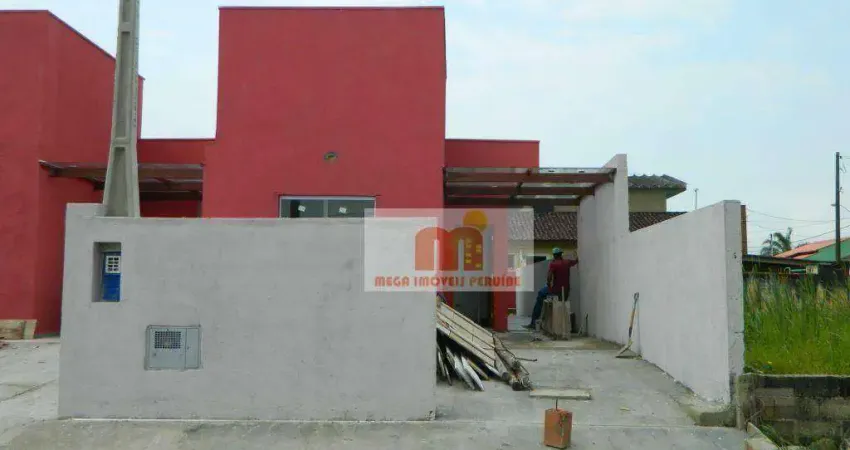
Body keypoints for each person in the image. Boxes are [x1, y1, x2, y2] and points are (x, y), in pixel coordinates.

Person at [525, 247, 578, 329]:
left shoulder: (553, 264)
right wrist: (576, 254)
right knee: (545, 295)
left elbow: (549, 277)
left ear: (554, 255)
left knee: (540, 294)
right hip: (565, 292)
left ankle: (533, 323)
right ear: (561, 254)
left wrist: (548, 284)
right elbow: (575, 261)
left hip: (555, 291)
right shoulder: (567, 262)